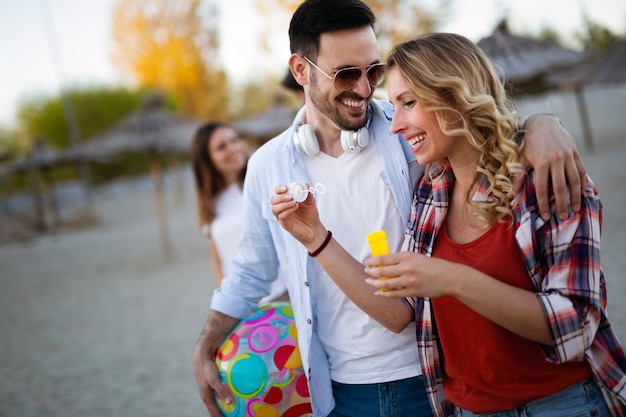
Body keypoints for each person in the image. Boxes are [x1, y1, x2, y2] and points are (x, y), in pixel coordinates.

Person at [192, 1, 587, 416]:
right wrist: (206, 343)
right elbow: (251, 270)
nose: (364, 89)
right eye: (346, 73)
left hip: (434, 374)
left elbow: (478, 131)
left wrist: (543, 125)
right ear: (300, 71)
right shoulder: (267, 165)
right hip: (339, 389)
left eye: (373, 71)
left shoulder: (410, 132)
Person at [359, 33, 626, 416]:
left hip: (563, 405)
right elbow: (404, 312)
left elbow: (577, 325)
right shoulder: (430, 193)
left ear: (454, 95)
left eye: (409, 103)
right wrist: (316, 238)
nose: (395, 125)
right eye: (393, 106)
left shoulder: (547, 179)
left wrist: (451, 279)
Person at [190, 121, 288, 303]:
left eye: (234, 140)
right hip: (242, 303)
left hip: (281, 293)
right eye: (221, 147)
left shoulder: (264, 184)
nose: (233, 148)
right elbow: (219, 261)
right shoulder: (209, 206)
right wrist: (225, 303)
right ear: (206, 158)